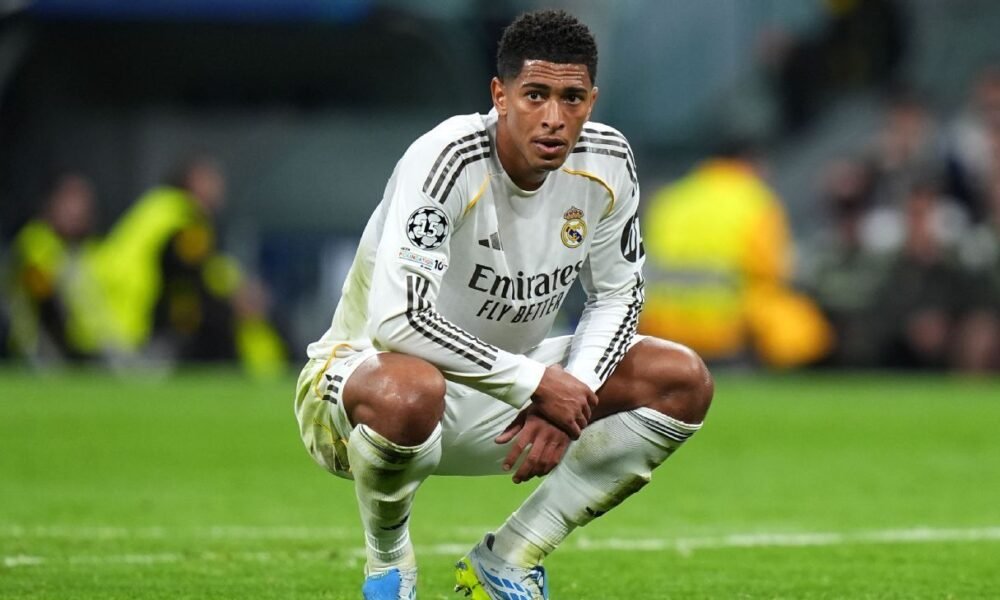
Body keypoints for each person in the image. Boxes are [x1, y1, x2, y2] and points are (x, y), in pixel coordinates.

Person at [294, 10, 714, 600]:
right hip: (361, 392)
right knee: (409, 389)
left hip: (506, 400)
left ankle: (509, 561)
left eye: (571, 98)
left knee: (680, 379)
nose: (553, 117)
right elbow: (397, 321)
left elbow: (618, 292)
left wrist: (570, 393)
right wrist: (536, 384)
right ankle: (388, 564)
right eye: (535, 95)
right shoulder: (447, 158)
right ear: (500, 95)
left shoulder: (607, 161)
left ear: (591, 101)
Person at [639, 143, 831, 369]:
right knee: (798, 318)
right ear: (748, 162)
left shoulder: (670, 197)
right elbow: (774, 271)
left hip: (662, 326)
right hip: (726, 329)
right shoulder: (755, 200)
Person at [5, 172, 112, 363]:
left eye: (81, 204)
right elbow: (43, 293)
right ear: (51, 205)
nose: (75, 211)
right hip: (34, 344)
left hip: (84, 348)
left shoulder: (92, 248)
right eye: (68, 202)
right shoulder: (35, 239)